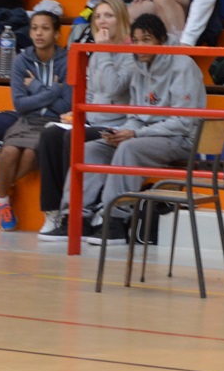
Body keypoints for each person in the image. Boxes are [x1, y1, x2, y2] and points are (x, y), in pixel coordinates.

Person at [80, 13, 208, 243]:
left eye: (146, 39)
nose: (140, 46)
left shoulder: (183, 65)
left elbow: (183, 122)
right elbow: (136, 116)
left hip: (182, 139)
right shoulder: (138, 66)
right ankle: (78, 216)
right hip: (146, 135)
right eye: (136, 40)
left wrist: (135, 133)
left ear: (161, 40)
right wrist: (123, 132)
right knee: (92, 149)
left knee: (129, 149)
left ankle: (115, 220)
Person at [37, 0, 134, 239]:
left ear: (121, 19)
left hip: (118, 126)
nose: (102, 21)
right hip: (94, 121)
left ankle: (76, 211)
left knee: (73, 137)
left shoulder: (131, 54)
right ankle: (54, 210)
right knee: (50, 134)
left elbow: (114, 87)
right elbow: (89, 93)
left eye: (109, 16)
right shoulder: (97, 54)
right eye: (98, 16)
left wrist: (104, 50)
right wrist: (78, 115)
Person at [0, 9, 69, 231]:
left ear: (56, 33)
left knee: (30, 154)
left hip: (52, 124)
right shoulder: (21, 60)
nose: (39, 33)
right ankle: (3, 201)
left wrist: (34, 87)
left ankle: (1, 185)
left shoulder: (67, 61)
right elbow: (20, 105)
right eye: (34, 28)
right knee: (9, 152)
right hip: (26, 120)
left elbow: (65, 106)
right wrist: (53, 91)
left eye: (45, 28)